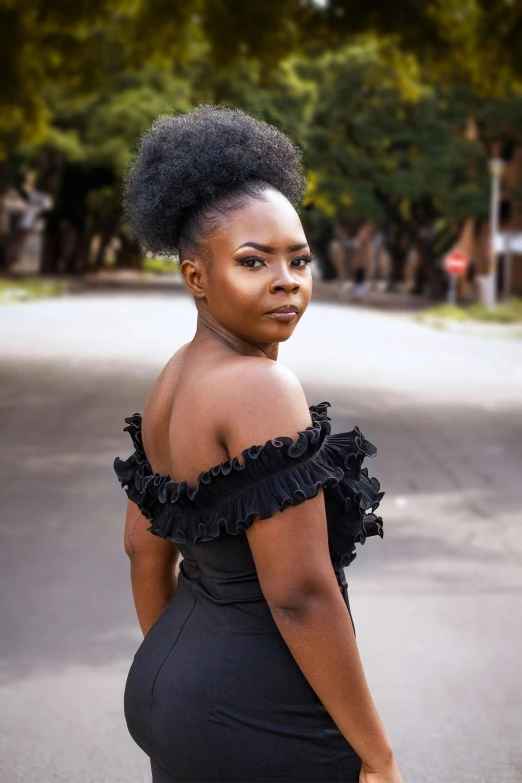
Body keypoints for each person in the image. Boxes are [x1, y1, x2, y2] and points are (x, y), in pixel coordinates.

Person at [114, 105, 403, 783]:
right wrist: (378, 754)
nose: (286, 280)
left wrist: (175, 670)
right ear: (197, 277)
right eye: (254, 260)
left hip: (174, 691)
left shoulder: (172, 380)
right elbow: (299, 592)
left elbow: (141, 547)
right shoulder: (261, 388)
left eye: (298, 259)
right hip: (257, 713)